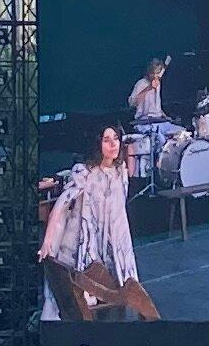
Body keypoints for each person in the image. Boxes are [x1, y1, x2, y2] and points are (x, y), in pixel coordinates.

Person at [39, 129, 158, 323]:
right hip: (83, 242)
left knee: (127, 288)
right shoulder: (85, 172)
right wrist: (48, 242)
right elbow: (62, 204)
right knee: (68, 293)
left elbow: (119, 211)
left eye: (116, 139)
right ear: (97, 145)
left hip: (113, 243)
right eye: (106, 140)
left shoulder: (120, 172)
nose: (113, 144)